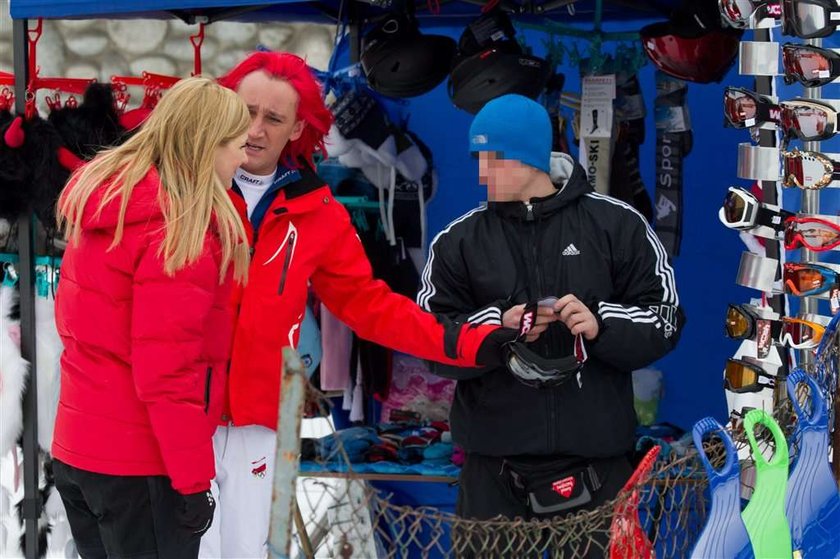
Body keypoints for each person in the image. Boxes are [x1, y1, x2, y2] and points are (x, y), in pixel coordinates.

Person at [200, 51, 513, 558]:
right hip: (178, 415)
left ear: (296, 126)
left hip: (258, 425)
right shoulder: (185, 191)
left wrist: (467, 342)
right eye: (245, 112)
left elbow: (371, 306)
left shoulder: (318, 214)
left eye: (273, 118)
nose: (254, 129)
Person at [417, 94, 684, 554]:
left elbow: (665, 318)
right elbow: (427, 337)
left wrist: (600, 322)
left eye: (494, 159)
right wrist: (496, 326)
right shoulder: (459, 241)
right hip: (493, 474)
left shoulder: (616, 224)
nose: (482, 173)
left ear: (530, 155)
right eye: (477, 159)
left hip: (599, 466)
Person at [51, 77, 251, 559]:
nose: (244, 159)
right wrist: (191, 481)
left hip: (81, 452)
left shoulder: (111, 208)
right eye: (238, 147)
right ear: (208, 147)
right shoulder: (177, 234)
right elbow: (166, 372)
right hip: (139, 465)